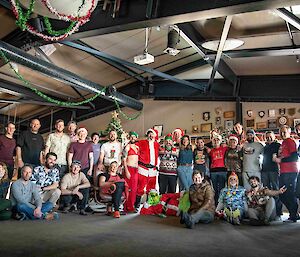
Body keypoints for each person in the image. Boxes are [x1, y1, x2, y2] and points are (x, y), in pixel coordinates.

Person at [273, 125, 299, 222]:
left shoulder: (290, 141)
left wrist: (280, 160)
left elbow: (294, 157)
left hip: (291, 171)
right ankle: (294, 214)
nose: (282, 134)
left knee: (289, 194)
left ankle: (293, 216)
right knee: (282, 195)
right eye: (281, 132)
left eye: (284, 132)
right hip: (283, 172)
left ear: (289, 132)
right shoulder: (283, 143)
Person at [135, 128, 160, 210]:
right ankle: (137, 204)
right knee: (140, 187)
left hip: (153, 170)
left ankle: (149, 204)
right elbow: (134, 148)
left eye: (152, 134)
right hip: (143, 168)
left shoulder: (157, 145)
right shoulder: (141, 142)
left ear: (154, 136)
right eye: (149, 134)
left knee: (152, 188)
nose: (151, 135)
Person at [261, 131, 282, 219]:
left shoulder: (278, 145)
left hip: (274, 171)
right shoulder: (265, 147)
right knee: (266, 191)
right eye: (267, 137)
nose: (269, 138)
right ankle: (269, 213)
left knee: (276, 191)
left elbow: (282, 156)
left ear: (274, 137)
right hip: (264, 171)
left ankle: (278, 213)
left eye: (270, 136)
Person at [122, 131, 139, 212]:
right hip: (129, 168)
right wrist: (126, 170)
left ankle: (131, 206)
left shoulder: (137, 147)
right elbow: (124, 159)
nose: (133, 138)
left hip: (136, 169)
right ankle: (127, 207)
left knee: (134, 189)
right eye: (131, 136)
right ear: (129, 138)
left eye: (134, 137)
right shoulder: (127, 147)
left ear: (136, 138)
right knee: (127, 189)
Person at [209, 133, 228, 203]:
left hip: (222, 171)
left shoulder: (224, 148)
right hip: (213, 171)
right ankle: (216, 203)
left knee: (222, 188)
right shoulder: (211, 151)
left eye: (218, 140)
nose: (216, 141)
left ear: (220, 141)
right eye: (214, 140)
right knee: (215, 189)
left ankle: (221, 204)